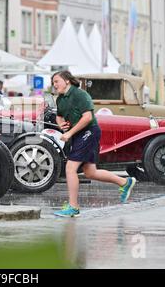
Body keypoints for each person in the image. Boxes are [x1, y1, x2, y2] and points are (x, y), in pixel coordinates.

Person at [52, 71, 136, 218]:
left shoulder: (80, 95)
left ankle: (73, 207)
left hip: (89, 131)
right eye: (53, 82)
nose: (54, 85)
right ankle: (125, 182)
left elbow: (87, 117)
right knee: (90, 172)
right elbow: (59, 116)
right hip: (78, 135)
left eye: (57, 81)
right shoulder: (60, 99)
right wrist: (62, 126)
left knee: (70, 168)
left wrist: (69, 133)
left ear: (67, 81)